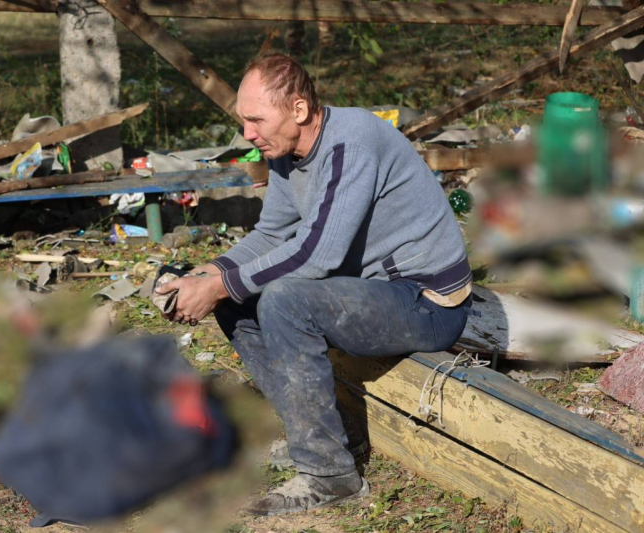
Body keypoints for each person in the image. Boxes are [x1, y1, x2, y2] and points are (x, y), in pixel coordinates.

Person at [155, 53, 474, 516]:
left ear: (299, 110)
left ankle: (330, 475)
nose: (247, 134)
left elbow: (317, 254)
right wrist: (205, 274)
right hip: (373, 290)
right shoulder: (287, 152)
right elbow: (270, 235)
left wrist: (222, 284)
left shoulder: (352, 143)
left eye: (255, 120)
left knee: (281, 299)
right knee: (236, 297)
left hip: (426, 300)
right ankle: (328, 431)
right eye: (244, 121)